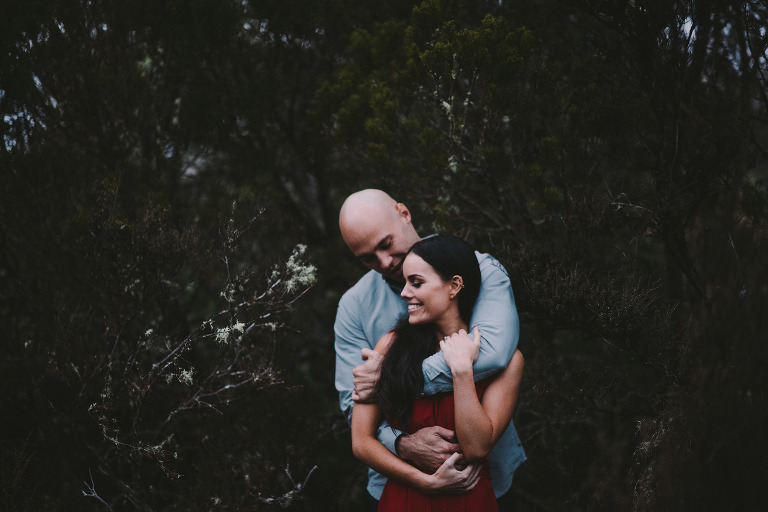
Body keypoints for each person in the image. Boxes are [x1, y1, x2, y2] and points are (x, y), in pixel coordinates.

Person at [334, 189, 525, 509]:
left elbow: (493, 353)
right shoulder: (355, 307)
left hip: (484, 480)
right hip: (397, 483)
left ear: (404, 213)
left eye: (385, 244)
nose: (384, 262)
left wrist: (390, 377)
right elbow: (354, 406)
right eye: (368, 258)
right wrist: (401, 443)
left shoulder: (481, 270)